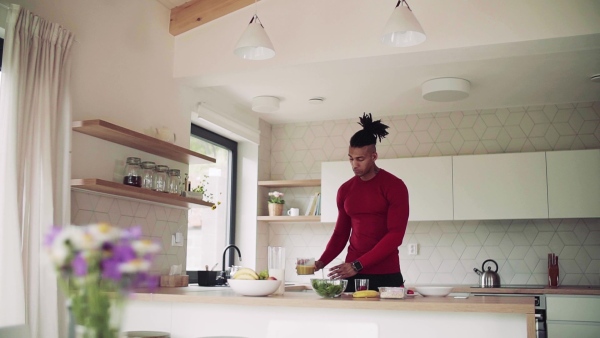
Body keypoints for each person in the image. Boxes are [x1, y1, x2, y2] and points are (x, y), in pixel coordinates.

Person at [314, 113, 409, 292]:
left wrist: (358, 264)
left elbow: (395, 235)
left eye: (360, 159)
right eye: (351, 158)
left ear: (374, 156)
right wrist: (321, 262)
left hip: (385, 274)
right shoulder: (345, 190)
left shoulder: (394, 186)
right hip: (352, 274)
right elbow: (340, 234)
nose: (354, 165)